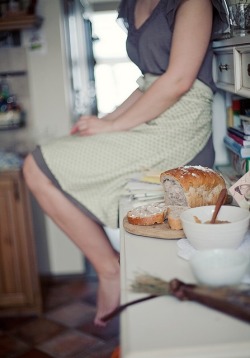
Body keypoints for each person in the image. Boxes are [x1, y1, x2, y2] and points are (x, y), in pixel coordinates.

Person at [23, 0, 228, 326]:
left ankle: (108, 270)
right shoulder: (131, 5)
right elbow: (149, 80)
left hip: (180, 124)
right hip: (152, 111)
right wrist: (106, 120)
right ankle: (110, 267)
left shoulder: (193, 2)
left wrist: (113, 126)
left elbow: (177, 82)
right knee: (44, 163)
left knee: (35, 166)